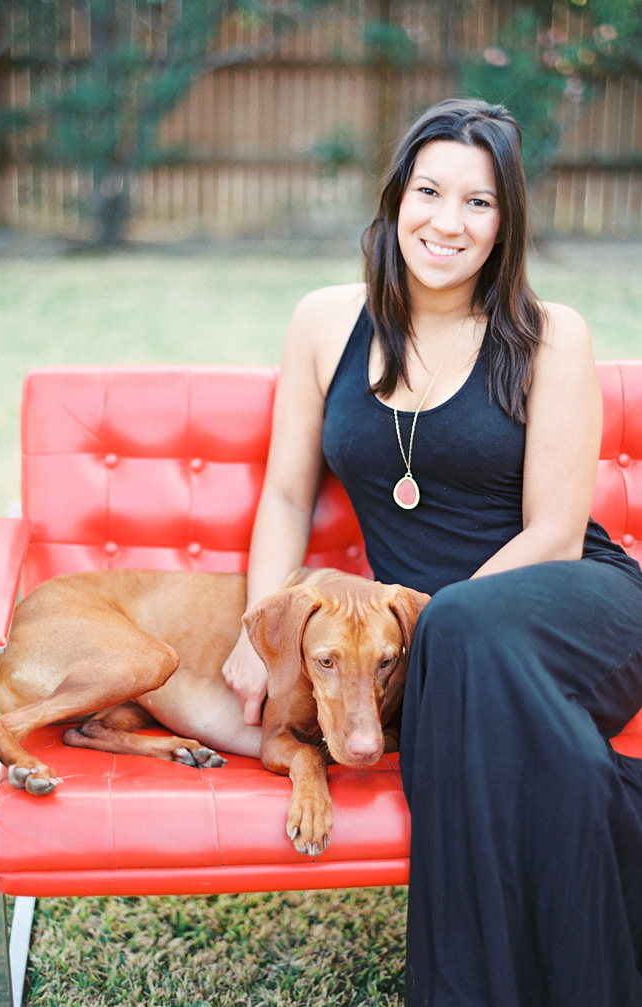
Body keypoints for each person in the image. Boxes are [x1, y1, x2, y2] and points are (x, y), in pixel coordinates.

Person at [222, 97, 642, 1006]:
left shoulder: (549, 333)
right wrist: (260, 637)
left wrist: (439, 632)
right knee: (549, 758)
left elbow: (556, 534)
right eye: (430, 191)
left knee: (461, 634)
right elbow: (288, 492)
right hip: (439, 645)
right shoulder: (324, 322)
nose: (448, 222)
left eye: (480, 203)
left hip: (573, 608)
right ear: (396, 198)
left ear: (507, 222)